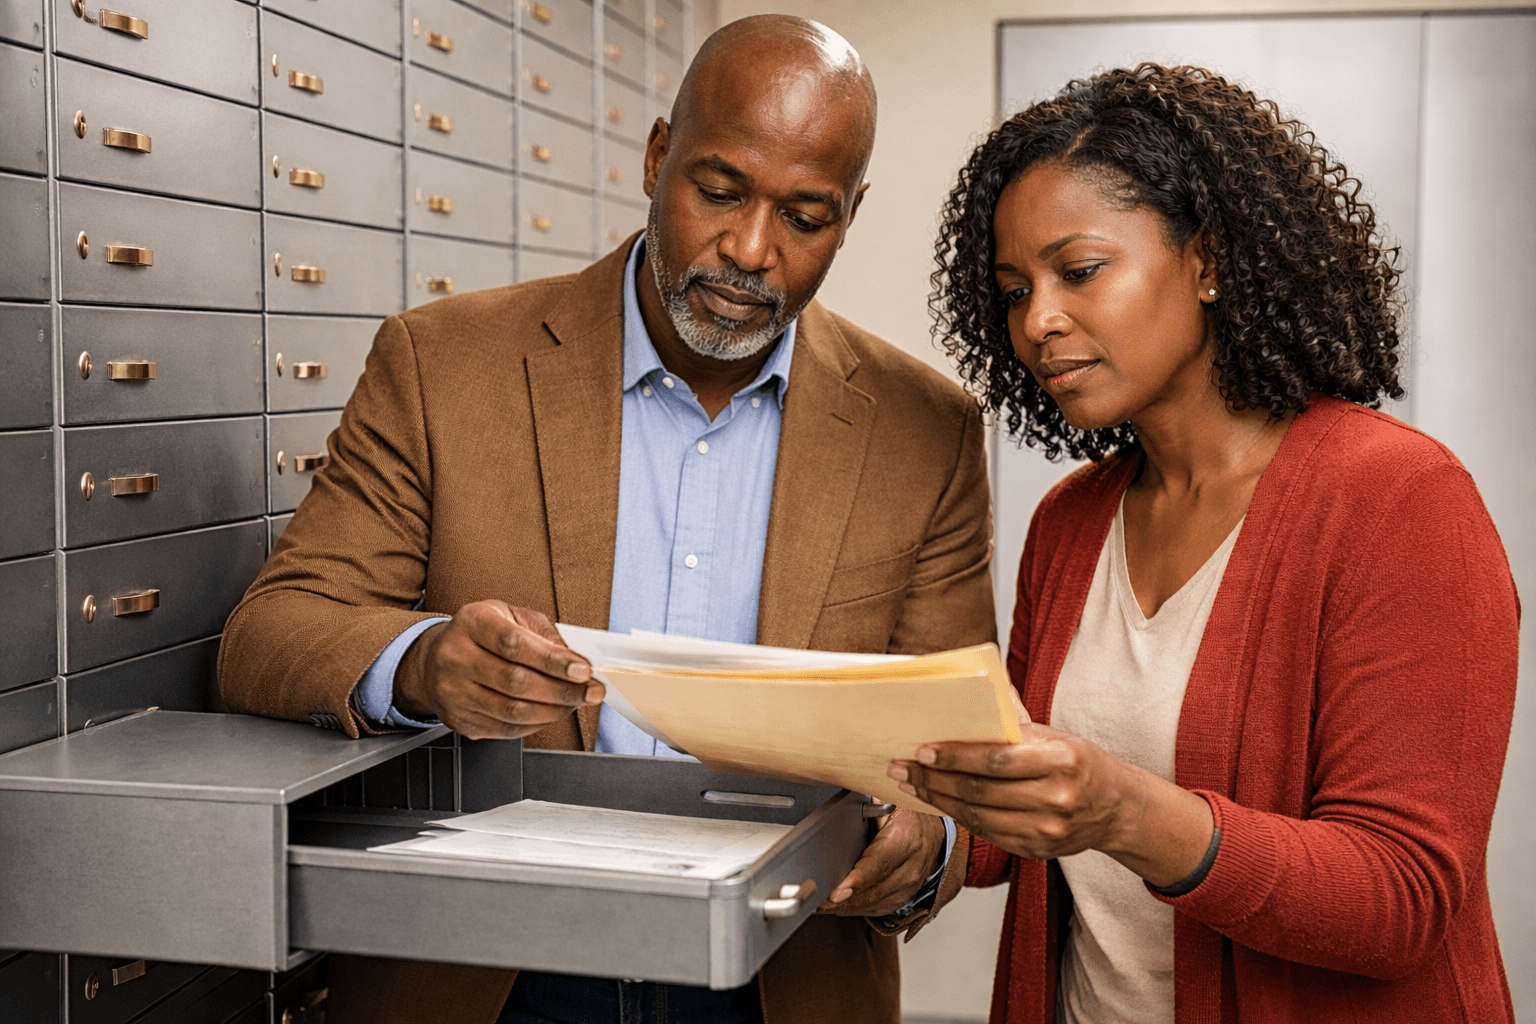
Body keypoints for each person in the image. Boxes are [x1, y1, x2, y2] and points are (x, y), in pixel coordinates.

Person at [220, 15, 995, 1024]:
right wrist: (423, 662)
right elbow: (270, 633)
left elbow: (961, 756)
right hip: (481, 969)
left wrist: (928, 839)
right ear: (657, 156)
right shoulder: (443, 364)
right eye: (719, 191)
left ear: (850, 215)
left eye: (805, 217)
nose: (751, 249)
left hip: (779, 972)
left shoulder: (925, 430)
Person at [897, 63, 1520, 1023]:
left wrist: (1129, 813)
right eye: (1014, 290)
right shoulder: (1071, 524)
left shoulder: (1401, 501)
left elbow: (1402, 898)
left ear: (1211, 259)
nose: (1038, 322)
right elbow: (1023, 805)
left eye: (1081, 270)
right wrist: (905, 824)